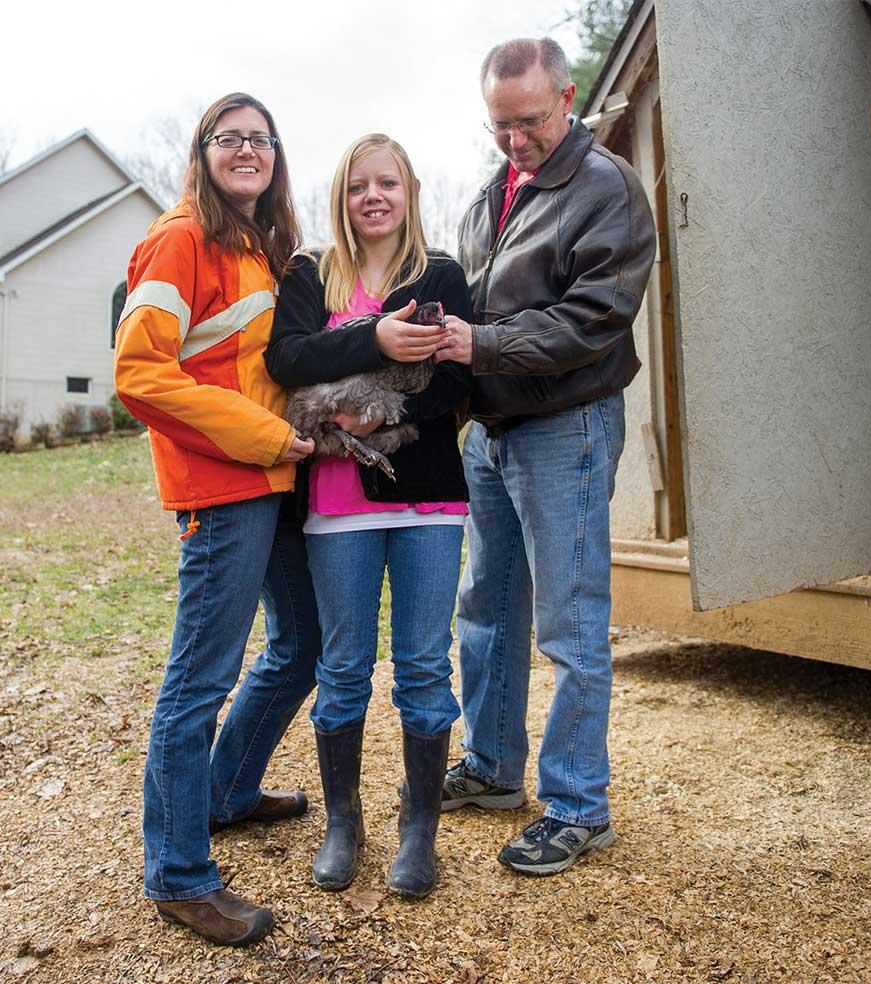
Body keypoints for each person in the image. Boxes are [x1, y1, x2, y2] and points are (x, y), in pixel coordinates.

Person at [423, 37, 657, 875]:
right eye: (498, 127)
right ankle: (492, 767)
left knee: (570, 619)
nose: (513, 141)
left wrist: (477, 345)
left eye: (527, 122)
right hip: (494, 430)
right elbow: (476, 299)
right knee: (485, 610)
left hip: (569, 425)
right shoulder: (493, 193)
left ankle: (578, 804)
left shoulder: (608, 189)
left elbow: (590, 320)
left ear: (566, 98)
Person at [113, 92, 320, 947]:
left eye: (259, 139)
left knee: (304, 643)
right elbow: (139, 372)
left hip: (274, 483)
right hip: (223, 484)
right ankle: (178, 872)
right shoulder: (180, 237)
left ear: (275, 156)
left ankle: (228, 791)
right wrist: (272, 435)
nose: (245, 151)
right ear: (201, 154)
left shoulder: (263, 247)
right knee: (200, 679)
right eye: (227, 139)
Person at [267, 134, 474, 899]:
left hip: (427, 496)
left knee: (423, 664)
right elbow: (285, 359)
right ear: (342, 197)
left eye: (387, 183)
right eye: (359, 186)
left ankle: (419, 830)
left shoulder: (442, 274)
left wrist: (380, 415)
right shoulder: (311, 273)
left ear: (410, 191)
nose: (373, 197)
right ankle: (342, 823)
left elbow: (455, 382)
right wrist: (375, 338)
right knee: (344, 667)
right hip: (337, 497)